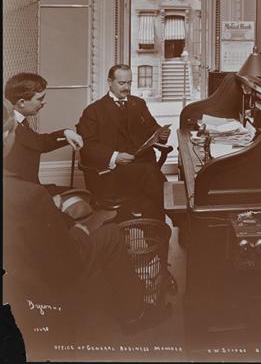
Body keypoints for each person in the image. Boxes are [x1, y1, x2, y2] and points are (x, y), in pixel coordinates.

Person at [2, 98, 172, 352]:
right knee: (110, 233)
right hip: (48, 272)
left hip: (16, 275)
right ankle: (135, 314)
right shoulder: (29, 196)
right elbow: (68, 255)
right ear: (6, 138)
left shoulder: (20, 191)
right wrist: (82, 229)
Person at [77, 64, 171, 222]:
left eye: (129, 83)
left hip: (142, 164)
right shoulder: (93, 111)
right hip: (114, 173)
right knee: (154, 179)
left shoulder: (138, 104)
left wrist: (161, 134)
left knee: (152, 180)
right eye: (121, 83)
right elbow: (88, 147)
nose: (126, 87)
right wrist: (116, 156)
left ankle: (152, 228)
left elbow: (152, 128)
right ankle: (163, 225)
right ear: (109, 82)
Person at [4, 73, 83, 194]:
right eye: (40, 99)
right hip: (22, 194)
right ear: (21, 102)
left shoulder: (20, 122)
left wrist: (65, 133)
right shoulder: (8, 127)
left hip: (30, 190)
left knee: (79, 195)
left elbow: (36, 142)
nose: (44, 102)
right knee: (79, 197)